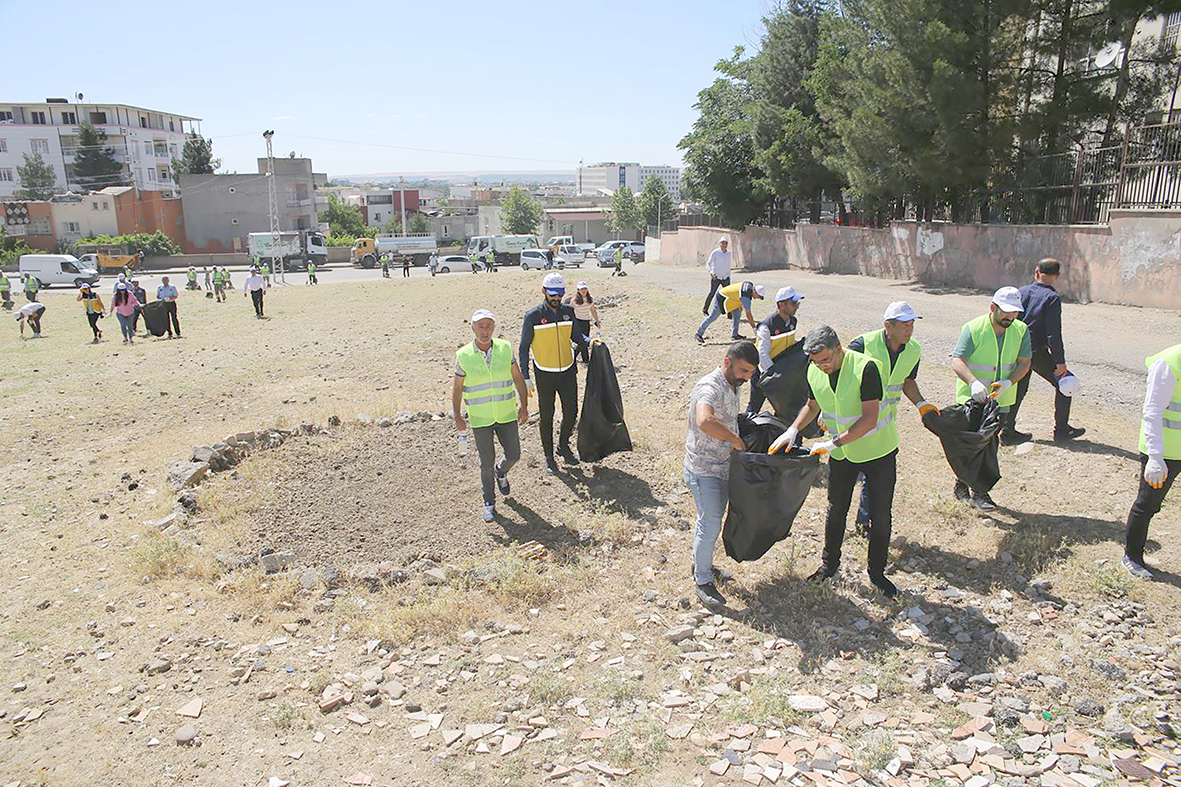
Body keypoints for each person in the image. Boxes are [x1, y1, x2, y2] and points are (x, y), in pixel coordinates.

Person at [776, 326, 901, 598]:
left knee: (879, 515)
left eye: (825, 360)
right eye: (815, 361)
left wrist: (833, 443)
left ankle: (877, 574)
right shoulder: (813, 370)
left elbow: (870, 417)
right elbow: (813, 404)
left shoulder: (867, 368)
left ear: (839, 349)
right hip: (844, 455)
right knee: (836, 509)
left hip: (878, 451)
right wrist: (794, 429)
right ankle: (828, 566)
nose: (821, 366)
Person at [846, 302, 938, 534]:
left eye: (912, 325)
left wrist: (921, 404)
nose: (909, 330)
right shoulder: (862, 345)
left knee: (875, 474)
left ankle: (865, 522)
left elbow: (907, 381)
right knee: (847, 474)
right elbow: (840, 378)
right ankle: (838, 521)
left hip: (883, 424)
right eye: (904, 325)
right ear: (889, 326)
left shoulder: (913, 350)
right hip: (852, 420)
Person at [684, 340, 759, 607]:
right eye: (744, 371)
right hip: (705, 470)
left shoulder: (732, 383)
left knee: (709, 521)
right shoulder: (709, 386)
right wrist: (734, 440)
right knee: (711, 523)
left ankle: (701, 564)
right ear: (727, 362)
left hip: (724, 467)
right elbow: (704, 420)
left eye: (751, 373)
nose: (747, 378)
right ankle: (703, 581)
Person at [949, 287, 1032, 511]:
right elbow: (957, 360)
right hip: (973, 399)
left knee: (989, 445)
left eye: (1015, 312)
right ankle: (975, 491)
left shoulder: (1021, 330)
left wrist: (1009, 382)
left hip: (1001, 400)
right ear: (993, 307)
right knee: (974, 446)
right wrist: (973, 382)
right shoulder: (974, 328)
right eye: (1006, 312)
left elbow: (1024, 362)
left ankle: (970, 489)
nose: (1011, 317)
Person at [452, 309, 530, 522]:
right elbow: (458, 388)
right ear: (473, 328)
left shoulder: (505, 348)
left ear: (493, 328)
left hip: (506, 414)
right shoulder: (464, 355)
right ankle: (489, 502)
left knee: (514, 455)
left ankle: (501, 472)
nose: (484, 331)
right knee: (486, 461)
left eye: (488, 326)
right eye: (480, 326)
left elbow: (517, 377)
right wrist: (457, 415)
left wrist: (524, 406)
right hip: (481, 418)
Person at [1007, 258, 1085, 444]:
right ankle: (1062, 430)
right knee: (1066, 383)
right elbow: (1053, 334)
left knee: (1018, 388)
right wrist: (1060, 362)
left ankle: (1007, 431)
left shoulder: (1022, 291)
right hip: (1036, 351)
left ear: (1036, 272)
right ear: (1057, 276)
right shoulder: (1052, 298)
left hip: (1017, 348)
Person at [519, 272, 590, 475]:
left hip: (568, 371)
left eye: (559, 293)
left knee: (571, 413)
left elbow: (577, 336)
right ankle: (549, 458)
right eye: (552, 294)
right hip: (544, 374)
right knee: (547, 416)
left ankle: (563, 445)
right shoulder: (532, 316)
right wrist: (525, 377)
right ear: (543, 291)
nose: (556, 298)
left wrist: (590, 342)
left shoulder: (568, 311)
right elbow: (524, 348)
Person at [1123, 343, 1181, 579]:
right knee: (1147, 505)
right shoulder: (1169, 363)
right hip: (1163, 451)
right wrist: (1155, 457)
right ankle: (1132, 556)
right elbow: (1153, 412)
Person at [748, 286, 804, 414]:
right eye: (793, 303)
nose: (797, 306)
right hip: (764, 374)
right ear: (781, 305)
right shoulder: (766, 326)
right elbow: (762, 354)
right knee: (754, 408)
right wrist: (773, 376)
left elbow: (790, 344)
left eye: (797, 303)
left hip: (781, 371)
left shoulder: (793, 321)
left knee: (784, 407)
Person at [696, 281, 765, 344]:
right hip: (723, 297)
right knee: (713, 316)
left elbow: (739, 293)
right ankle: (699, 334)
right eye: (758, 296)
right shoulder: (746, 297)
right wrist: (754, 329)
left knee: (737, 313)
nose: (758, 298)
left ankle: (734, 335)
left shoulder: (749, 285)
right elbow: (748, 315)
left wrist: (740, 304)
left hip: (733, 299)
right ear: (755, 291)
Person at [565, 282, 601, 364]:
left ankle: (585, 359)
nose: (583, 290)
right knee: (581, 341)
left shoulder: (590, 299)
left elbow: (593, 310)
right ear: (578, 290)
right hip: (577, 322)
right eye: (581, 289)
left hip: (586, 322)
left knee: (586, 340)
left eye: (585, 288)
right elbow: (570, 311)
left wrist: (597, 321)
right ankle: (574, 355)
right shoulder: (574, 300)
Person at [703, 236, 731, 316]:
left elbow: (728, 265)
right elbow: (708, 263)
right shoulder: (715, 252)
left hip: (725, 277)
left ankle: (729, 312)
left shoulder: (729, 253)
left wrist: (728, 275)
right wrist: (711, 272)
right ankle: (705, 310)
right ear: (720, 244)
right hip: (716, 277)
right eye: (723, 243)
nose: (724, 245)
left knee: (728, 295)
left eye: (726, 243)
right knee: (712, 293)